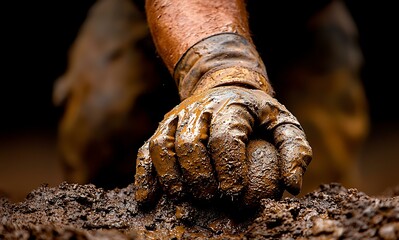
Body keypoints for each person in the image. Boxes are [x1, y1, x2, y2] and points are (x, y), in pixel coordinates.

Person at [54, 0, 368, 206]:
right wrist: (224, 70)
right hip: (160, 11)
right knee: (106, 119)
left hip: (301, 20)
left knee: (314, 194)